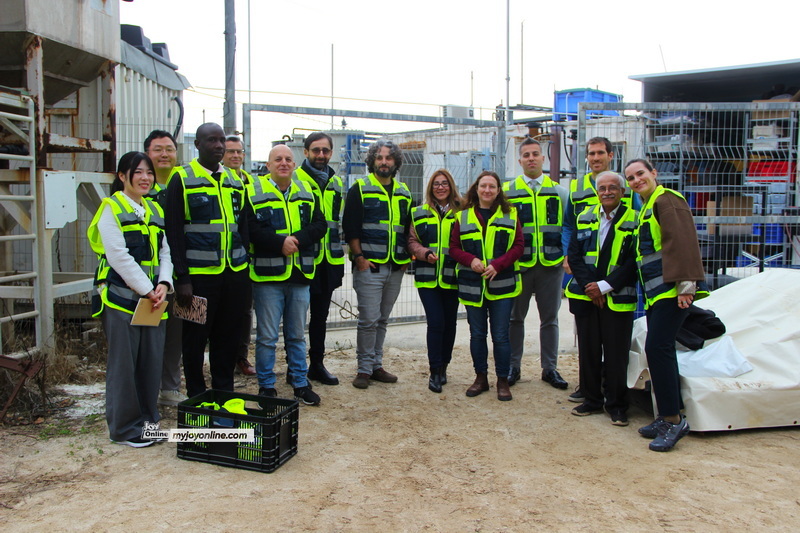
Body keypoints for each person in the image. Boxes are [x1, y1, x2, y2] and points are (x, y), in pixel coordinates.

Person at [87, 151, 173, 447]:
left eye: (149, 172)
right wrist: (147, 290)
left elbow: (165, 252)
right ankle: (124, 429)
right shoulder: (111, 208)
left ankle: (148, 422)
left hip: (153, 301)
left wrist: (164, 283)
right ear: (122, 176)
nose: (146, 178)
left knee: (151, 362)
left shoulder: (154, 210)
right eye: (138, 172)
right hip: (122, 299)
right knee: (124, 364)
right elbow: (118, 257)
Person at [624, 158, 708, 452]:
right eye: (631, 178)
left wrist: (687, 284)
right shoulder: (647, 206)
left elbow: (683, 241)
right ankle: (666, 416)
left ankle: (673, 420)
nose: (636, 181)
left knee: (658, 349)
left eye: (640, 174)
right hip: (657, 293)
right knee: (658, 349)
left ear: (653, 174)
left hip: (672, 291)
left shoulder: (667, 199)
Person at [164, 123, 251, 399]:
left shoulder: (236, 180)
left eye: (221, 140)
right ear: (197, 145)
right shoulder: (181, 179)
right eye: (211, 140)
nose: (218, 145)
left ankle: (223, 394)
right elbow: (174, 231)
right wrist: (182, 278)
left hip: (234, 276)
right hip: (198, 280)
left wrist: (245, 266)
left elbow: (244, 226)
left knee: (227, 338)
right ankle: (197, 395)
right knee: (194, 340)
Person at [245, 144, 326, 405]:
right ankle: (267, 386)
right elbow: (249, 229)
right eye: (277, 159)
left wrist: (297, 240)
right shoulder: (254, 191)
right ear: (267, 165)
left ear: (294, 165)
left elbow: (320, 225)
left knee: (296, 335)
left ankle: (300, 383)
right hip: (268, 277)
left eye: (288, 159)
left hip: (300, 276)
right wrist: (279, 242)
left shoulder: (306, 191)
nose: (283, 163)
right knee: (267, 337)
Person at [563, 137, 640, 404]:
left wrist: (605, 286)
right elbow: (575, 253)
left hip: (616, 294)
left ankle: (617, 404)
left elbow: (634, 260)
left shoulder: (634, 218)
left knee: (617, 351)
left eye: (612, 188)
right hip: (586, 292)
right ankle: (591, 397)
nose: (607, 192)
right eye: (602, 189)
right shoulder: (585, 215)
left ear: (622, 191)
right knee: (588, 348)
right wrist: (589, 286)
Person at [342, 139, 412, 389]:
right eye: (379, 157)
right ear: (372, 161)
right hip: (369, 266)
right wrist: (359, 258)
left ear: (395, 162)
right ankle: (363, 369)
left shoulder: (404, 192)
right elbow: (350, 227)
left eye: (388, 158)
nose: (384, 162)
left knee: (382, 319)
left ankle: (376, 365)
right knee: (368, 319)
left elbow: (408, 229)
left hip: (395, 267)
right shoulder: (360, 188)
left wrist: (406, 261)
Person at [450, 171, 523, 401]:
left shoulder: (510, 215)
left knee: (501, 335)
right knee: (477, 334)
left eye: (492, 186)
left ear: (499, 190)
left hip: (502, 284)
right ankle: (480, 378)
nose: (487, 190)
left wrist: (498, 265)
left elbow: (518, 246)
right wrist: (470, 260)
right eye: (483, 186)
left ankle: (503, 380)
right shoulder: (462, 217)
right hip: (473, 286)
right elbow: (454, 248)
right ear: (476, 188)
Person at [503, 137, 569, 389]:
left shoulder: (560, 193)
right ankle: (513, 366)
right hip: (518, 266)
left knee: (550, 318)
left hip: (550, 266)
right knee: (514, 318)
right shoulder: (508, 193)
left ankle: (549, 368)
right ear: (519, 160)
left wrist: (565, 256)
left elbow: (567, 228)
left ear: (543, 158)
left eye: (535, 154)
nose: (531, 158)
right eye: (526, 155)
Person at [294, 132, 346, 385]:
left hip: (329, 259)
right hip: (302, 260)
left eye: (326, 151)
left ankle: (317, 364)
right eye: (316, 150)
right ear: (305, 152)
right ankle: (295, 367)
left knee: (320, 316)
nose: (321, 155)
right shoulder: (295, 180)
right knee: (294, 317)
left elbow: (337, 222)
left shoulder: (336, 183)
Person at [407, 169, 462, 393]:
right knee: (436, 322)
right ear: (431, 187)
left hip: (453, 276)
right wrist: (424, 253)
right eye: (436, 184)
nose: (440, 187)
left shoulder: (463, 212)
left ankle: (445, 365)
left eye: (445, 183)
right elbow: (411, 241)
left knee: (450, 324)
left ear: (451, 186)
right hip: (428, 277)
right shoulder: (419, 212)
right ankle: (434, 370)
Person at [143, 130, 186, 407]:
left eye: (169, 149)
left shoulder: (183, 182)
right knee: (147, 333)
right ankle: (146, 390)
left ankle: (170, 388)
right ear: (147, 153)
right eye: (158, 149)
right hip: (146, 279)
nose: (164, 154)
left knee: (175, 335)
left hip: (177, 274)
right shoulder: (141, 186)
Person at [222, 135, 257, 377]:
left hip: (246, 257)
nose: (235, 156)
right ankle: (221, 356)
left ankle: (241, 357)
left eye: (239, 152)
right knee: (221, 312)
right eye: (230, 151)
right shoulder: (216, 179)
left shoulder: (250, 182)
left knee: (245, 311)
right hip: (220, 258)